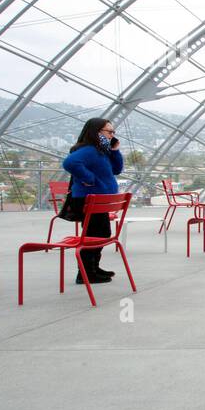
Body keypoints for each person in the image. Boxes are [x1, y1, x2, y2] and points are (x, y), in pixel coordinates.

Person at [62, 117, 124, 284]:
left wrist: (115, 151)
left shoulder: (102, 151)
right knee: (93, 234)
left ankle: (92, 268)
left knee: (101, 233)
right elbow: (70, 162)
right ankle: (85, 273)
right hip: (88, 199)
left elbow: (117, 169)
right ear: (97, 132)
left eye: (113, 132)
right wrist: (88, 178)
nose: (112, 135)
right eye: (109, 132)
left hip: (98, 201)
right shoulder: (89, 150)